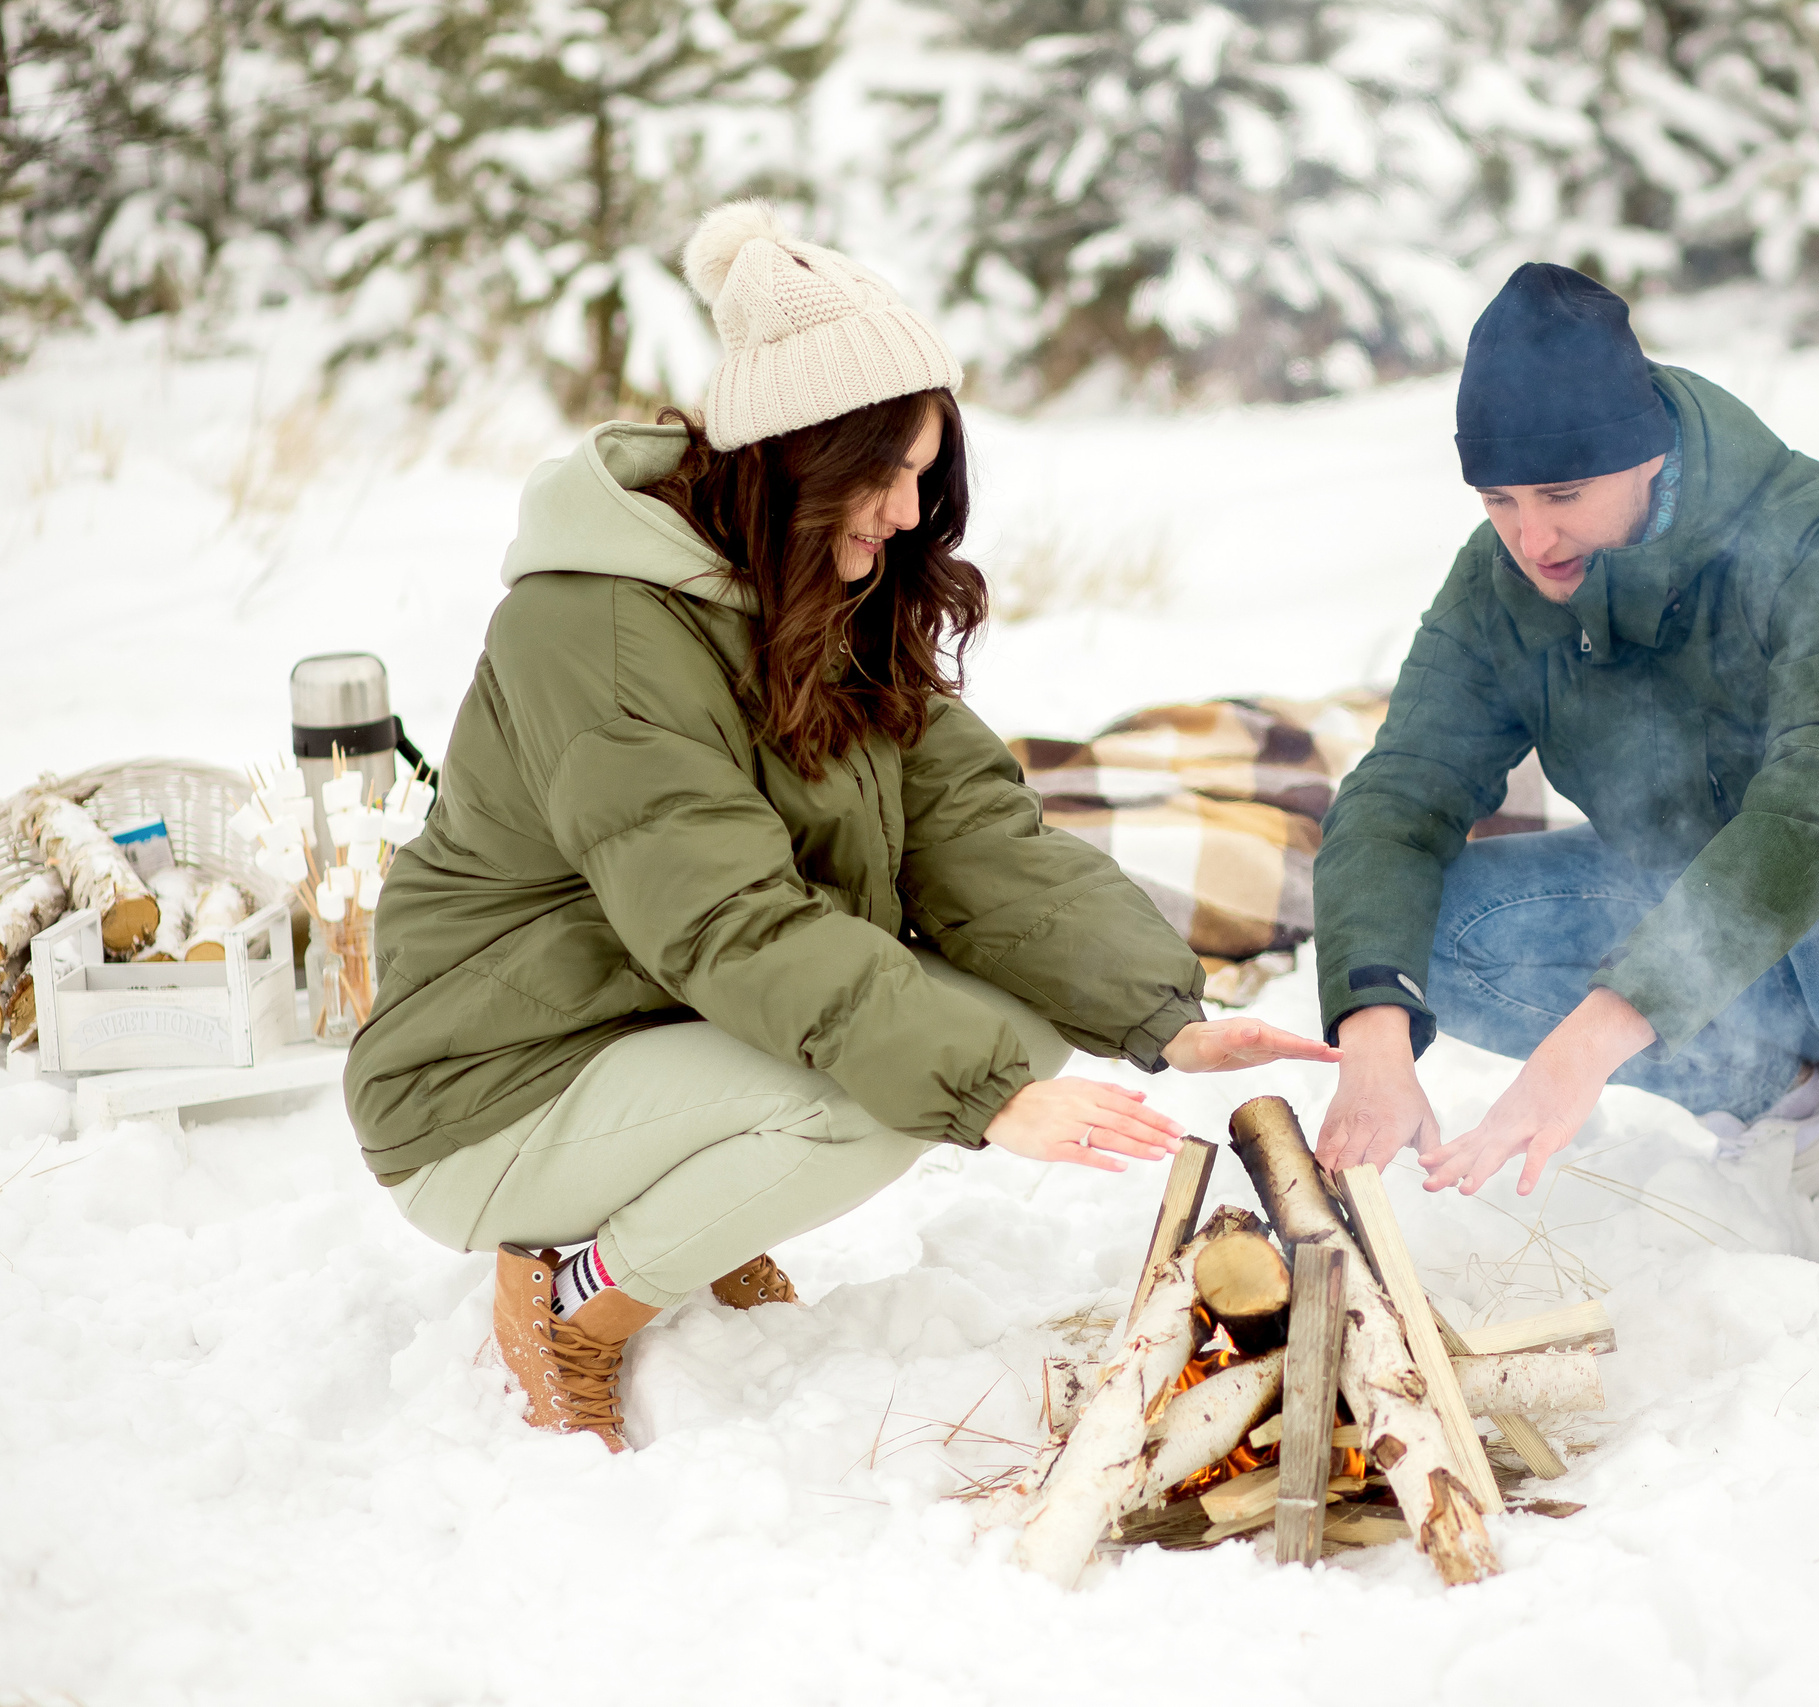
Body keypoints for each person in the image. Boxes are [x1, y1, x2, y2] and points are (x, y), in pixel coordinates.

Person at [347, 202, 1334, 1450]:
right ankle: (568, 1299)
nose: (913, 512)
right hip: (488, 1085)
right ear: (790, 456)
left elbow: (970, 830)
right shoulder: (593, 631)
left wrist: (1164, 1016)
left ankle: (682, 1218)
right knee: (881, 1097)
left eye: (927, 472)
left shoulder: (817, 588)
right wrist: (973, 1096)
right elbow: (724, 919)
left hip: (646, 1027)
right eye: (886, 472)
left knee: (1009, 1035)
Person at [1311, 264, 1819, 1264]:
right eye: (1498, 499)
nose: (1530, 537)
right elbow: (1396, 797)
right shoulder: (1500, 581)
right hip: (1725, 921)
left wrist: (1586, 1046)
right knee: (1433, 929)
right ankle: (1783, 1102)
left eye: (1561, 492)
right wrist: (1373, 1033)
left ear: (1646, 457)